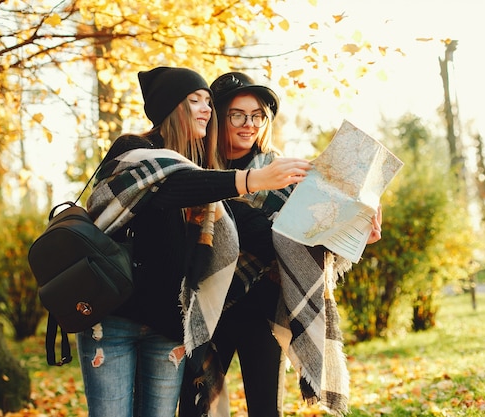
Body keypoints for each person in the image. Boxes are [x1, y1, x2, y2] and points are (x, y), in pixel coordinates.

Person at [75, 66, 312, 417]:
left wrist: (345, 226)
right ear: (171, 107)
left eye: (207, 102)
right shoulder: (134, 151)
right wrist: (252, 179)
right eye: (195, 101)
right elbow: (169, 189)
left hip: (168, 327)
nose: (206, 109)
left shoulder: (201, 171)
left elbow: (246, 224)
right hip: (114, 320)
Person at [179, 72, 384, 417]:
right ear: (218, 115)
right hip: (212, 306)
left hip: (265, 307)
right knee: (196, 408)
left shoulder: (285, 173)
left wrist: (357, 231)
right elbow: (266, 234)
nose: (249, 125)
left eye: (258, 115)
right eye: (238, 115)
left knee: (266, 410)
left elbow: (309, 238)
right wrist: (272, 230)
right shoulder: (199, 171)